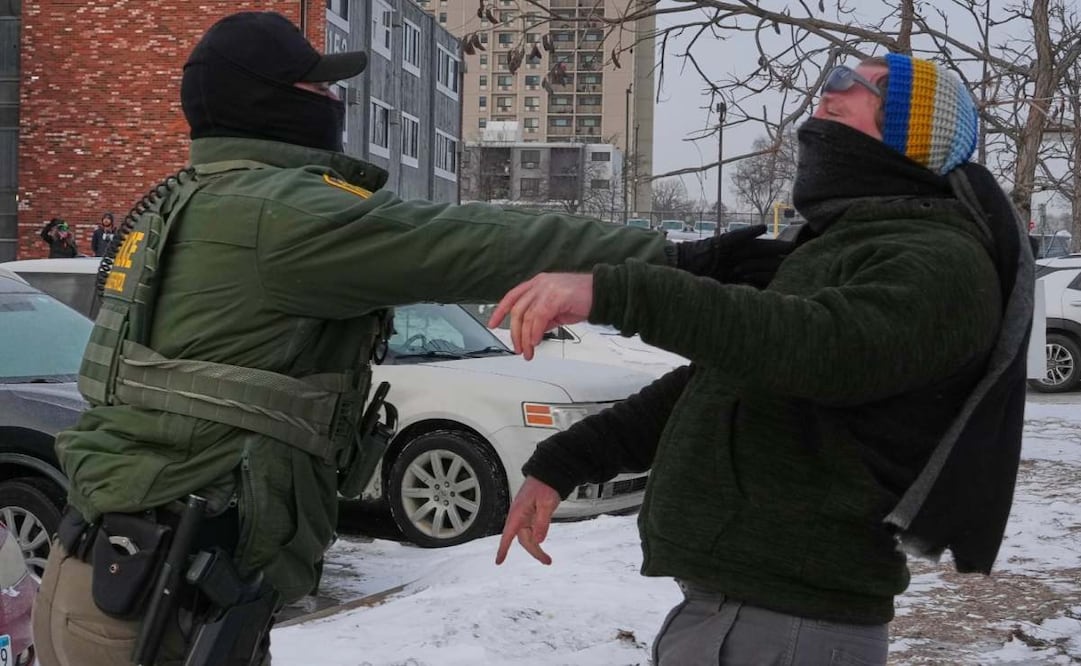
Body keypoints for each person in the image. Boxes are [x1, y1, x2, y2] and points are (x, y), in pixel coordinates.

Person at [29, 11, 733, 666]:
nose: (335, 100)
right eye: (317, 86)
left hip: (112, 570)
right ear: (267, 101)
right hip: (156, 598)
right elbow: (473, 242)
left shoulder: (184, 198)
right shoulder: (281, 215)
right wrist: (674, 259)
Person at [492, 53, 1034, 665]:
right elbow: (726, 382)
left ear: (915, 131)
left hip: (789, 625)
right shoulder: (846, 244)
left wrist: (617, 292)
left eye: (858, 84)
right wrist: (565, 461)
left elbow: (818, 348)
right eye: (833, 76)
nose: (829, 92)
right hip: (744, 615)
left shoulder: (941, 260)